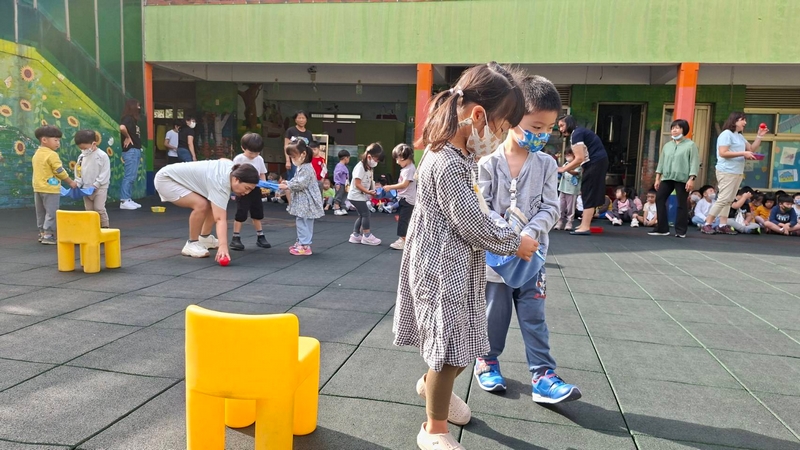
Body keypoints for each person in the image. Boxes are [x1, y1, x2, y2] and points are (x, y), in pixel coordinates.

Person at [392, 62, 538, 450]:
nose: (500, 138)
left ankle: (431, 387)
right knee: (448, 351)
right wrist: (514, 241)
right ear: (477, 116)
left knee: (462, 344)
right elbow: (471, 221)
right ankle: (434, 429)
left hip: (455, 265)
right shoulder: (448, 162)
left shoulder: (459, 157)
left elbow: (472, 213)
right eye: (502, 128)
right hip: (441, 269)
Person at [475, 74, 581, 404]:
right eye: (536, 127)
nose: (542, 135)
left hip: (533, 257)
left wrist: (529, 234)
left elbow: (551, 207)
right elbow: (482, 208)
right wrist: (510, 239)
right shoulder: (488, 163)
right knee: (494, 315)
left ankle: (544, 375)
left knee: (535, 317)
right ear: (512, 118)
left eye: (548, 129)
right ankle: (487, 361)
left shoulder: (547, 164)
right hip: (496, 260)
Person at [154, 160, 259, 260]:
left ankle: (205, 238)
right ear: (236, 179)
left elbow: (223, 159)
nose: (247, 193)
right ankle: (191, 243)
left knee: (213, 204)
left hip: (175, 177)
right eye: (247, 188)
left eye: (250, 190)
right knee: (201, 205)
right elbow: (220, 219)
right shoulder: (220, 183)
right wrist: (223, 246)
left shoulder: (232, 169)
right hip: (166, 180)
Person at [701, 112, 766, 235]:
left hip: (737, 171)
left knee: (729, 200)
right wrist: (743, 153)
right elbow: (723, 152)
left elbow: (751, 149)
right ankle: (707, 224)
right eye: (742, 119)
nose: (745, 122)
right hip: (726, 170)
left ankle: (722, 224)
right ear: (734, 121)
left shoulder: (739, 136)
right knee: (723, 198)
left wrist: (759, 136)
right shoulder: (726, 134)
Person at [557, 115, 608, 235]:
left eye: (562, 125)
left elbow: (579, 158)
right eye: (559, 127)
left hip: (595, 163)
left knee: (589, 192)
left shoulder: (576, 134)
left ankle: (585, 226)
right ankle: (584, 224)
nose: (560, 129)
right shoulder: (579, 133)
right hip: (595, 163)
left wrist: (563, 169)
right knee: (587, 191)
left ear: (569, 123)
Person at [650, 119, 699, 237]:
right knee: (659, 199)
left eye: (677, 128)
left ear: (684, 130)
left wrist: (691, 179)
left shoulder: (690, 145)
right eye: (672, 128)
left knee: (681, 203)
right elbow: (661, 162)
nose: (674, 130)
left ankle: (680, 231)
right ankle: (662, 228)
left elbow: (694, 162)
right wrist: (657, 178)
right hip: (667, 177)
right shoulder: (667, 146)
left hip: (682, 178)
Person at [31, 125, 78, 244]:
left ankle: (42, 233)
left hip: (38, 188)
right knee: (51, 212)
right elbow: (59, 170)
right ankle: (48, 235)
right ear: (44, 140)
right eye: (56, 140)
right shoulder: (52, 154)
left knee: (40, 212)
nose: (58, 143)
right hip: (50, 189)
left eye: (59, 140)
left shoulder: (37, 153)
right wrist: (70, 182)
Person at [279, 138, 324, 255]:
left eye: (294, 157)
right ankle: (302, 242)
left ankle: (304, 245)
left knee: (302, 220)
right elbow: (297, 180)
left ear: (303, 154)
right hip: (305, 199)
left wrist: (288, 185)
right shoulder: (303, 166)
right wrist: (288, 183)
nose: (292, 159)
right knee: (304, 220)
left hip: (307, 200)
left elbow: (300, 184)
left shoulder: (306, 168)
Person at [230, 133, 271, 251]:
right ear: (243, 148)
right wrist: (235, 190)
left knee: (257, 213)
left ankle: (260, 236)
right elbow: (234, 174)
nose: (253, 156)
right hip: (243, 189)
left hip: (255, 189)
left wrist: (265, 187)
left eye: (257, 153)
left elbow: (262, 174)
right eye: (251, 153)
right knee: (241, 213)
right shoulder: (239, 159)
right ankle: (236, 237)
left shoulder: (259, 159)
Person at [347, 143, 384, 246]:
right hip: (356, 195)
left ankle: (355, 235)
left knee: (362, 215)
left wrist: (372, 191)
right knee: (366, 214)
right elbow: (357, 183)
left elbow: (369, 181)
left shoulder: (368, 167)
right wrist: (368, 192)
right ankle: (367, 235)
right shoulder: (360, 167)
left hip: (359, 195)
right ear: (369, 156)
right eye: (376, 160)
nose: (376, 162)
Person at [73, 129, 111, 228]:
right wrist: (78, 182)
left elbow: (105, 172)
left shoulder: (102, 156)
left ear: (94, 144)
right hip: (86, 188)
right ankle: (93, 228)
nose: (83, 150)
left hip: (100, 188)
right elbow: (78, 171)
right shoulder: (81, 157)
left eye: (85, 148)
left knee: (99, 208)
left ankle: (105, 227)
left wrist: (96, 184)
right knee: (89, 210)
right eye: (81, 148)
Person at [382, 144, 416, 250]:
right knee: (403, 220)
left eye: (397, 158)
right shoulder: (407, 168)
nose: (397, 162)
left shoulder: (409, 169)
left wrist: (390, 187)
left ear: (402, 157)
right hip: (404, 198)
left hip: (407, 199)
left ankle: (403, 240)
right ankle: (404, 239)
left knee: (403, 221)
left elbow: (404, 184)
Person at [119, 98, 143, 210]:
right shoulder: (128, 118)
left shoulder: (133, 120)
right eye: (138, 105)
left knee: (132, 176)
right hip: (131, 150)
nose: (139, 108)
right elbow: (122, 127)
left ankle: (128, 198)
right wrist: (128, 137)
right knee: (129, 176)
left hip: (135, 150)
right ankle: (124, 200)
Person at [555, 147, 581, 231]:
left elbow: (576, 173)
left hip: (572, 190)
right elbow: (561, 171)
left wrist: (565, 169)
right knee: (560, 206)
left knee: (570, 208)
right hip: (563, 188)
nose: (567, 156)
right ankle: (559, 222)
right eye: (566, 155)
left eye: (569, 155)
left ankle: (569, 222)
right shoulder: (565, 164)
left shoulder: (578, 165)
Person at [284, 110, 313, 181]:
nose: (301, 120)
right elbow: (286, 146)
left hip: (304, 162)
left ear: (306, 120)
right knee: (292, 180)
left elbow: (309, 148)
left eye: (303, 118)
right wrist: (288, 161)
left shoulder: (309, 133)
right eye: (299, 118)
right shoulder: (290, 131)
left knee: (303, 180)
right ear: (295, 120)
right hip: (293, 161)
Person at [333, 149, 351, 215]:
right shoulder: (339, 166)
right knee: (338, 196)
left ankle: (343, 208)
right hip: (340, 184)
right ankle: (336, 208)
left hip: (345, 184)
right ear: (345, 158)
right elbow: (336, 175)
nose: (349, 160)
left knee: (344, 196)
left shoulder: (344, 166)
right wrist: (337, 183)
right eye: (348, 158)